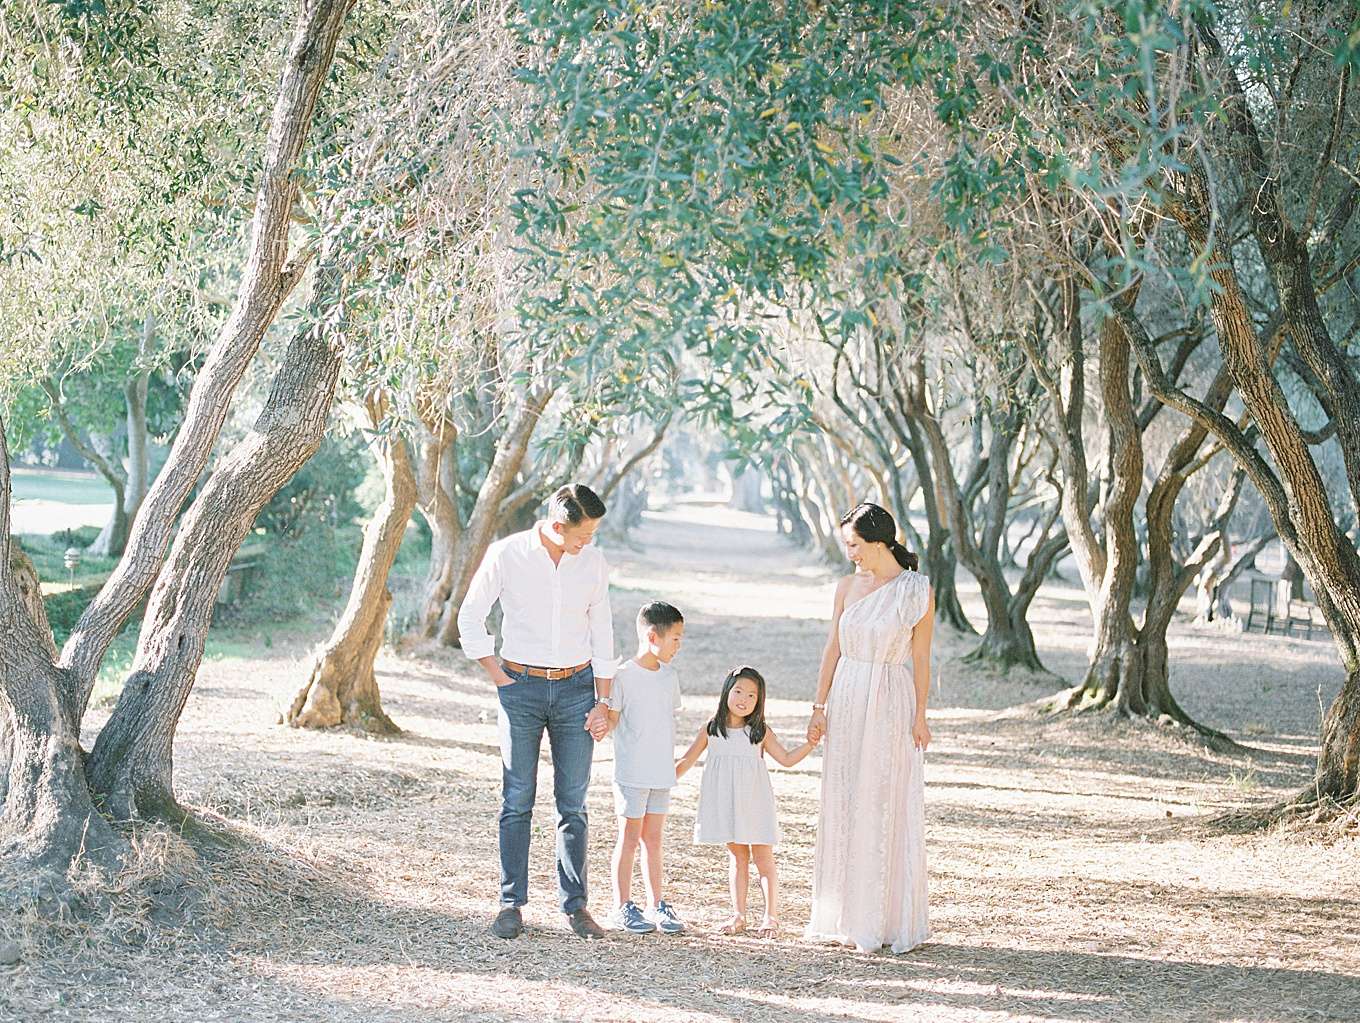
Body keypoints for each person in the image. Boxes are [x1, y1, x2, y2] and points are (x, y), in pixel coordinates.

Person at [457, 483, 616, 941]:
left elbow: (602, 629)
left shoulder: (593, 562)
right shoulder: (507, 554)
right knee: (516, 799)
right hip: (520, 687)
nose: (589, 541)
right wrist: (496, 672)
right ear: (558, 524)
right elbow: (471, 614)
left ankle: (576, 907)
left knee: (573, 804)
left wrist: (603, 700)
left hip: (577, 690)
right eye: (584, 533)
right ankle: (511, 904)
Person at [804, 501, 934, 954]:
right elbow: (830, 650)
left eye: (855, 545)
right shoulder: (846, 586)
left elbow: (921, 657)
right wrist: (818, 706)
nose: (850, 553)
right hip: (848, 693)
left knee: (883, 798)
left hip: (891, 698)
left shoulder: (916, 590)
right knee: (847, 797)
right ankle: (842, 911)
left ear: (879, 542)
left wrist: (920, 714)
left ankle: (881, 917)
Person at [676, 665, 819, 937]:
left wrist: (811, 744)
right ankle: (738, 915)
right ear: (726, 692)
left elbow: (787, 760)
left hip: (755, 802)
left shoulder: (759, 731)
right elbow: (686, 760)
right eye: (738, 691)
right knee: (738, 857)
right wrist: (661, 780)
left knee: (763, 858)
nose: (743, 699)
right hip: (728, 803)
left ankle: (770, 916)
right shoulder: (712, 730)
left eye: (752, 695)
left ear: (759, 701)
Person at [602, 601, 687, 935]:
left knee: (654, 839)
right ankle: (621, 905)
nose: (679, 646)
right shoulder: (623, 677)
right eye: (676, 638)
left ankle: (657, 904)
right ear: (653, 636)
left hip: (660, 773)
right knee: (629, 837)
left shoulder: (670, 677)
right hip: (631, 773)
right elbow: (611, 721)